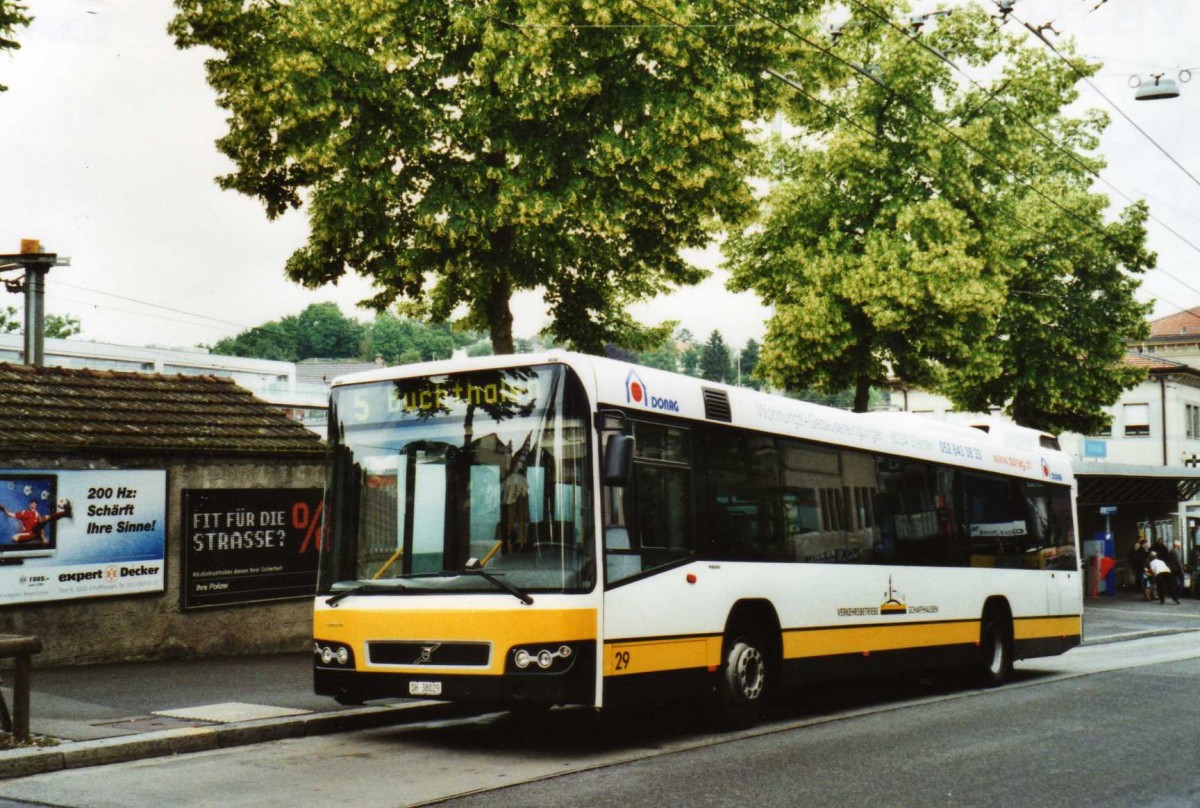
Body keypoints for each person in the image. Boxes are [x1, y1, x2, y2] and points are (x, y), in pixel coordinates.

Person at [0, 499, 72, 544]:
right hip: (29, 533)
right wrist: (3, 509)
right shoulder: (23, 512)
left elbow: (41, 526)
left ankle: (66, 513)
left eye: (35, 505)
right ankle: (65, 513)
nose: (33, 506)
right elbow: (10, 514)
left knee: (45, 517)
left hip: (36, 531)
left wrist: (43, 538)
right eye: (32, 504)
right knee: (14, 538)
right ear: (29, 505)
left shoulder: (37, 514)